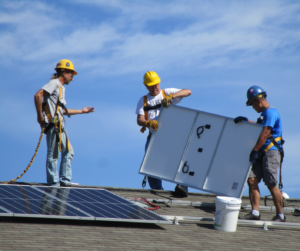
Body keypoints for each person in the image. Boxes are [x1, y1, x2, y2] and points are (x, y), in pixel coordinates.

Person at [34, 59, 94, 186]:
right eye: (71, 75)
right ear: (64, 72)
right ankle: (53, 182)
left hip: (60, 125)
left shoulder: (61, 88)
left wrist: (81, 111)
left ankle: (65, 180)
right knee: (53, 154)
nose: (72, 78)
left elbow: (61, 111)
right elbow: (38, 96)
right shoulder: (54, 83)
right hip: (53, 125)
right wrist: (40, 116)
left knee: (68, 151)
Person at [136, 71, 191, 196]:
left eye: (156, 84)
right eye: (151, 85)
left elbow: (188, 91)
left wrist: (171, 96)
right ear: (146, 86)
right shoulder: (143, 100)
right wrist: (148, 123)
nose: (154, 87)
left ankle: (182, 185)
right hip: (154, 136)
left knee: (178, 159)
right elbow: (139, 120)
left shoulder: (166, 92)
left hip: (171, 134)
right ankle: (157, 190)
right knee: (150, 164)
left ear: (159, 83)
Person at [234, 85, 285, 222]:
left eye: (252, 104)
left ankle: (280, 215)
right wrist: (246, 121)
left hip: (270, 152)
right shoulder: (264, 115)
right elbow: (259, 128)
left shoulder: (270, 112)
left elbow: (265, 133)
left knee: (271, 183)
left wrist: (255, 150)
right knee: (252, 180)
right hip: (261, 152)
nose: (253, 108)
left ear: (258, 101)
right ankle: (255, 212)